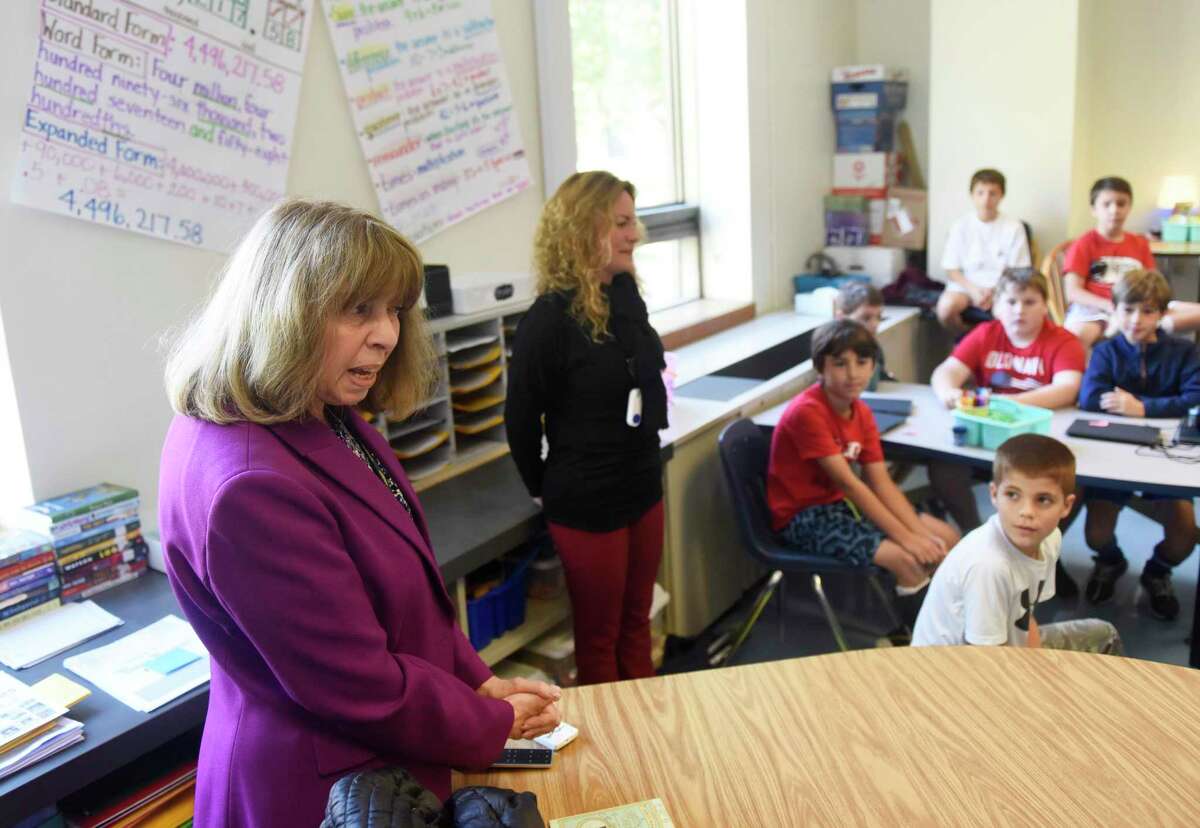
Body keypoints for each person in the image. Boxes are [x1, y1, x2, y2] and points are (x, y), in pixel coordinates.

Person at [159, 200, 560, 827]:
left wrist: (476, 680)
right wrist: (490, 722)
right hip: (316, 789)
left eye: (395, 310)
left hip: (381, 767)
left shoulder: (318, 412)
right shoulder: (251, 484)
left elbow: (409, 603)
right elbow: (356, 682)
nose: (388, 334)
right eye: (358, 310)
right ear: (283, 312)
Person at [505, 171, 668, 686]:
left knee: (637, 623)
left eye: (633, 221)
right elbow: (521, 422)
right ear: (581, 231)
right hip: (586, 496)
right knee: (599, 640)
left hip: (641, 480)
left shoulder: (625, 297)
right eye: (620, 223)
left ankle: (650, 741)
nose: (634, 234)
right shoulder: (546, 323)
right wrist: (541, 489)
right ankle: (618, 756)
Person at [767, 320, 959, 629]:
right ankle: (914, 642)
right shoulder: (808, 412)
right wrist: (907, 538)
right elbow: (850, 485)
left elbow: (880, 482)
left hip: (841, 505)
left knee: (945, 538)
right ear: (820, 367)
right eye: (840, 364)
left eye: (862, 362)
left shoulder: (862, 412)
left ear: (873, 365)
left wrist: (919, 535)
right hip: (802, 517)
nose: (853, 373)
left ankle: (946, 628)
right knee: (907, 559)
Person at [912, 434, 1121, 654]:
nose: (1026, 512)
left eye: (1043, 499)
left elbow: (1024, 616)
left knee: (1104, 634)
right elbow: (984, 662)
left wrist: (1037, 662)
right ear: (994, 494)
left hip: (1001, 652)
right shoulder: (988, 567)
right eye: (1013, 495)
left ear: (1066, 506)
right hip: (951, 672)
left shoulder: (1050, 539)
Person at [1078, 269, 1200, 619]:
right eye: (1128, 310)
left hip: (1169, 457)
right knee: (1095, 534)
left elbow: (1194, 399)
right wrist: (1163, 404)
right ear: (1114, 310)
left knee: (1184, 536)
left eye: (1148, 311)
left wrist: (1140, 407)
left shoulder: (1184, 352)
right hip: (1114, 455)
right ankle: (1111, 561)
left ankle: (1157, 571)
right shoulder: (1105, 351)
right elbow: (1090, 398)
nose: (1136, 320)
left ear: (1162, 314)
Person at [928, 267, 1085, 532]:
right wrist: (948, 392)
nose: (1019, 310)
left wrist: (1006, 404)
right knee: (944, 465)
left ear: (1045, 306)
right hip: (989, 434)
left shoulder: (1064, 341)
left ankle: (1045, 551)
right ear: (997, 305)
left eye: (1029, 302)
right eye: (1011, 302)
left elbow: (1067, 389)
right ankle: (974, 535)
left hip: (1040, 437)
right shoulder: (986, 333)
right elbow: (946, 371)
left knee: (1073, 479)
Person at [1063, 176, 1200, 349]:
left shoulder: (1139, 243)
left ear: (1129, 207)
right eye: (1107, 204)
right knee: (1076, 337)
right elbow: (1073, 292)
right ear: (1094, 209)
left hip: (1140, 307)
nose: (1114, 210)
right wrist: (1110, 306)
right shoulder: (1083, 244)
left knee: (1176, 321)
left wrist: (1154, 308)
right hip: (1096, 309)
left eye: (1121, 204)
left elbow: (1154, 282)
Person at [936, 168, 1032, 334]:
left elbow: (1019, 270)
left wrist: (994, 291)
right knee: (946, 309)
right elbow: (951, 268)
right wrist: (973, 290)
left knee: (1005, 314)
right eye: (980, 193)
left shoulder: (1014, 227)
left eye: (992, 193)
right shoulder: (960, 226)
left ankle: (994, 346)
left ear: (1001, 195)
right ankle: (970, 338)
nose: (986, 199)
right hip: (966, 286)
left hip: (1002, 287)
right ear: (972, 195)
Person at [834, 281, 892, 390]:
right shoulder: (835, 350)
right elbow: (868, 387)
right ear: (841, 317)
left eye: (879, 317)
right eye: (866, 318)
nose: (875, 324)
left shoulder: (873, 345)